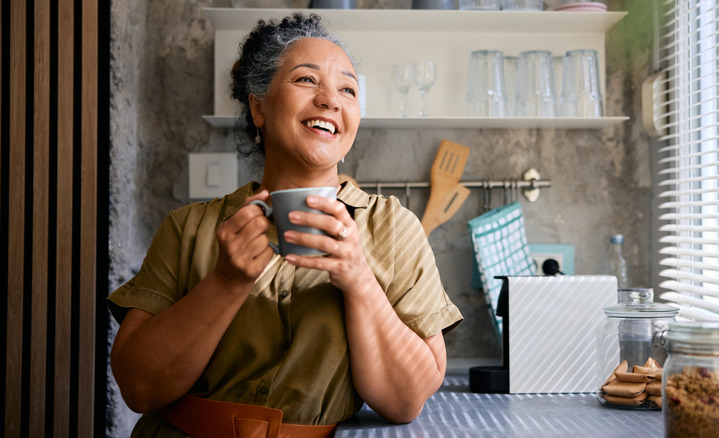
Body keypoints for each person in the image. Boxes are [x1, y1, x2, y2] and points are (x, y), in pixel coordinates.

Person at [108, 12, 462, 437]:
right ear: (258, 105)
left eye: (348, 89)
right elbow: (138, 388)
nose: (330, 100)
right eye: (306, 80)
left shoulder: (394, 229)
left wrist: (360, 281)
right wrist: (224, 282)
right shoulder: (188, 228)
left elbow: (406, 401)